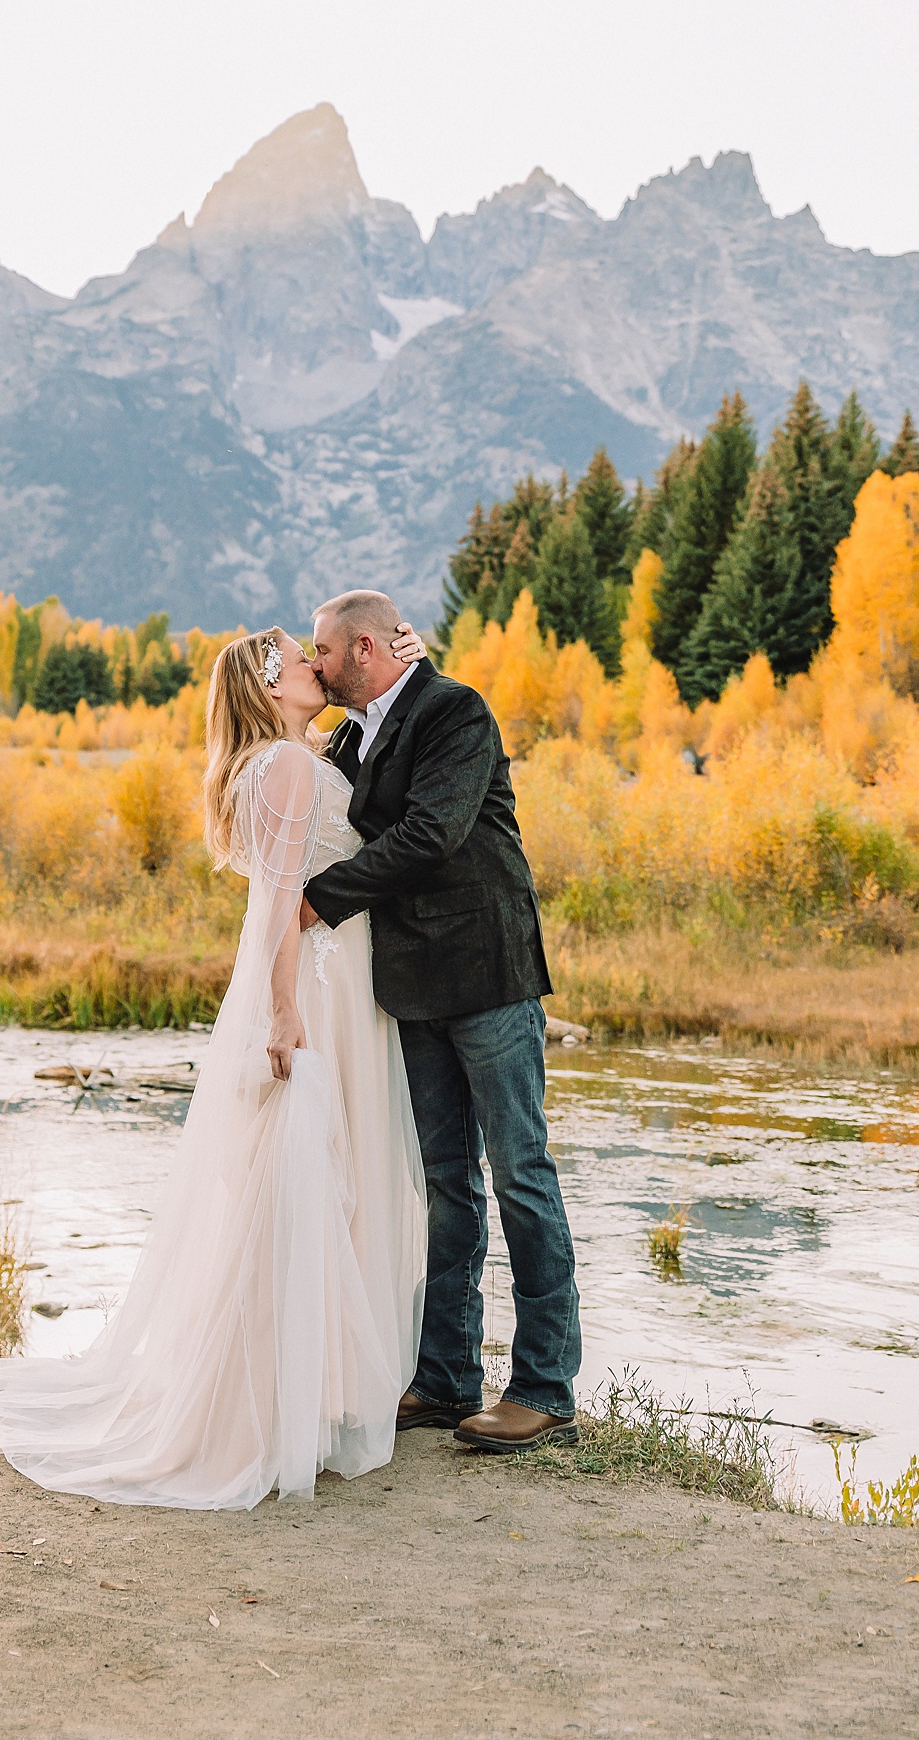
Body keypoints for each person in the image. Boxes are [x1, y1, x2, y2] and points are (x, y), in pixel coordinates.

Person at [0, 623, 429, 1509]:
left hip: (328, 979)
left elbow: (369, 734)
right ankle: (282, 1400)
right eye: (298, 664)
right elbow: (284, 897)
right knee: (307, 1184)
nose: (315, 669)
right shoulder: (284, 769)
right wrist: (286, 1011)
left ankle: (304, 1389)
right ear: (268, 688)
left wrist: (409, 660)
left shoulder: (281, 758)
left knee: (304, 1184)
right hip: (315, 988)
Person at [300, 589, 580, 1453]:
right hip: (415, 986)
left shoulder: (455, 710)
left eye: (322, 651)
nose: (313, 664)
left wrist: (318, 900)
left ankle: (543, 1388)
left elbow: (431, 833)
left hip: (489, 975)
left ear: (365, 649)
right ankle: (446, 1376)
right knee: (444, 1185)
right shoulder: (349, 735)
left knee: (520, 1173)